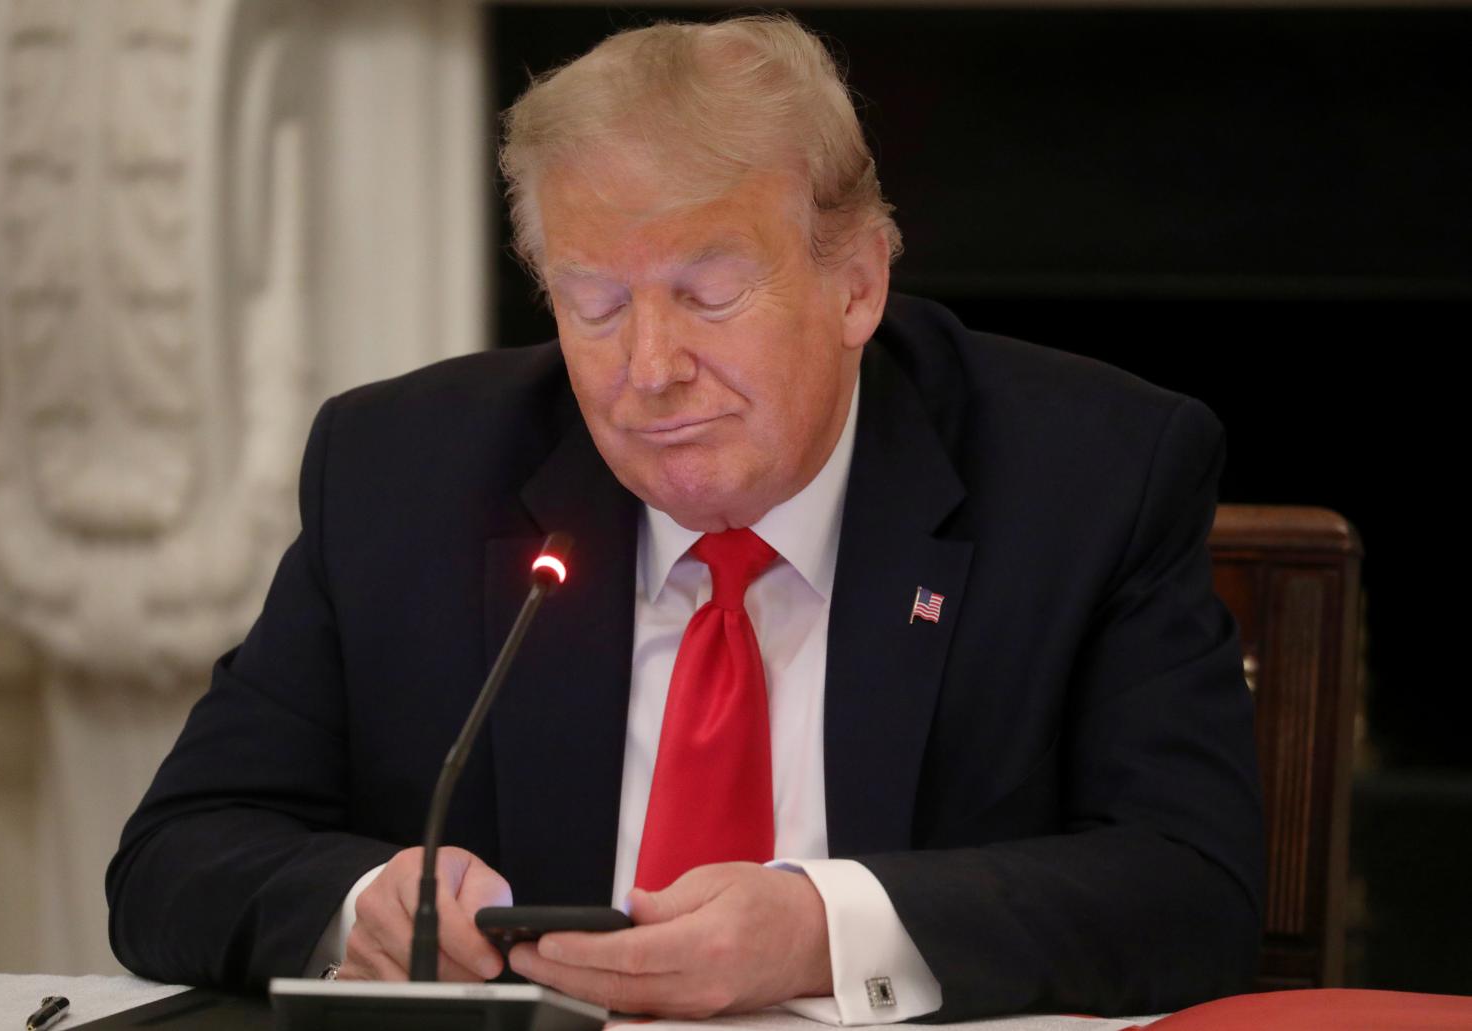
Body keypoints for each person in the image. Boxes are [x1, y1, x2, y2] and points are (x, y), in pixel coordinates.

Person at [108, 14, 1263, 1023]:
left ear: (857, 282)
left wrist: (824, 928)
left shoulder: (1089, 476)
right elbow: (173, 857)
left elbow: (1192, 885)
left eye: (709, 296)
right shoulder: (399, 475)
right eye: (594, 302)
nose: (647, 369)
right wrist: (365, 907)